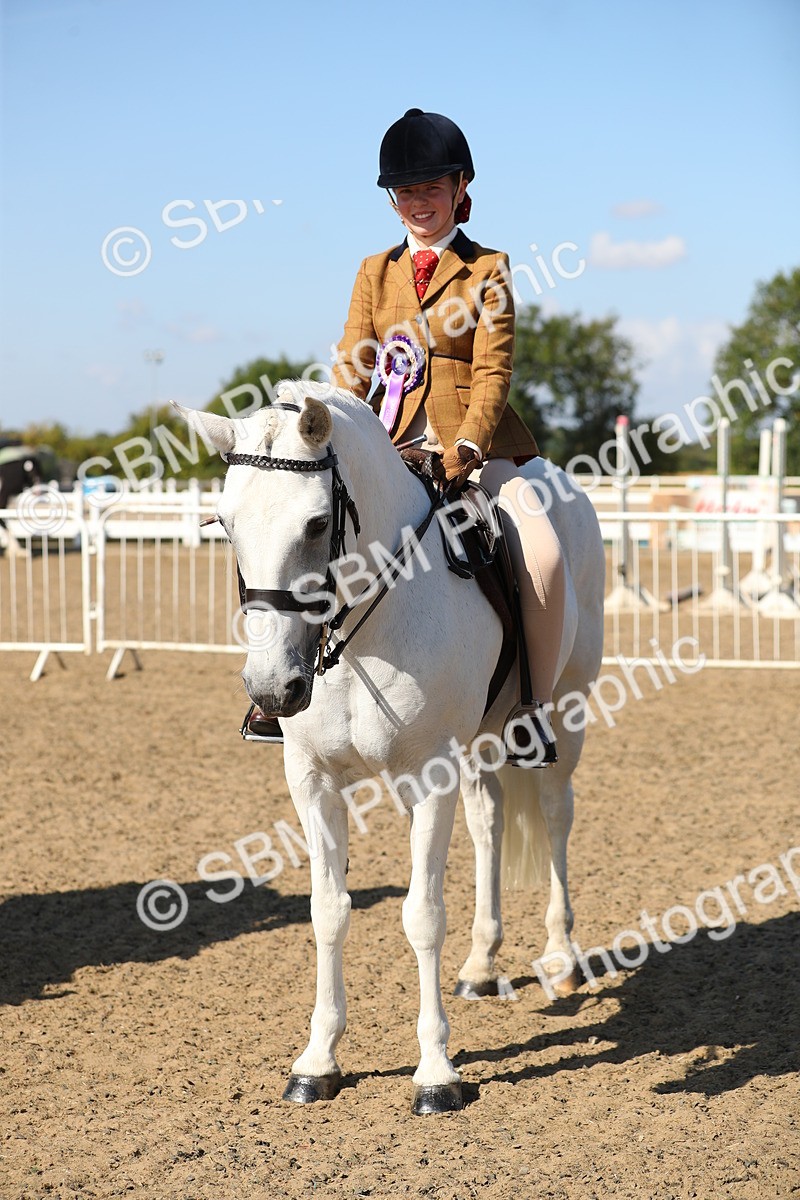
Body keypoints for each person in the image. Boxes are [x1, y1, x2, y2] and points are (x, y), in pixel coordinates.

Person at [249, 108, 565, 766]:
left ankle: (531, 708)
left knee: (542, 553)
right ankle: (281, 687)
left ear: (459, 188)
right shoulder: (374, 271)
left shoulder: (489, 269)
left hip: (472, 447)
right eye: (405, 192)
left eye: (430, 189)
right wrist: (327, 427)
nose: (418, 203)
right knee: (304, 534)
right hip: (386, 443)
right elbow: (352, 367)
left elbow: (493, 370)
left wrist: (468, 445)